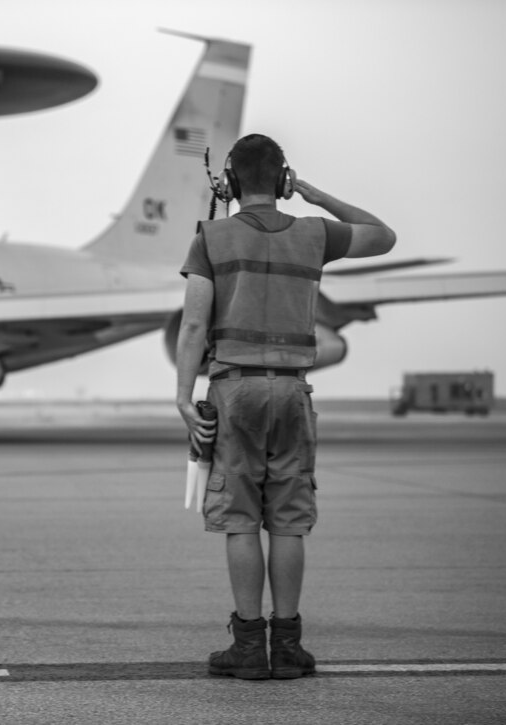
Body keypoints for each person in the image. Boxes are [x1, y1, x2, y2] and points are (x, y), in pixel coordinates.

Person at [175, 133, 396, 680]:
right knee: (289, 522)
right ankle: (289, 646)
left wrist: (183, 396)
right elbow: (383, 236)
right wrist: (314, 195)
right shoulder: (314, 234)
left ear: (228, 182)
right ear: (281, 180)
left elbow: (195, 324)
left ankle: (249, 648)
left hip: (235, 389)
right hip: (294, 390)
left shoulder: (211, 236)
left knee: (240, 519)